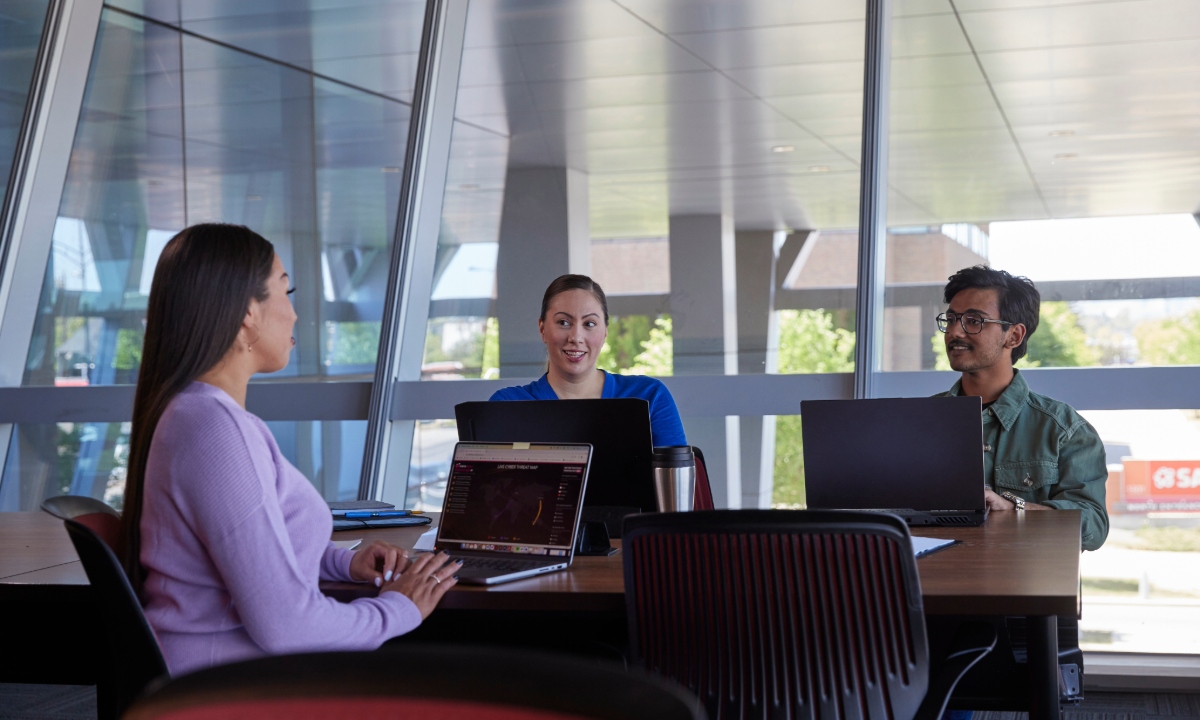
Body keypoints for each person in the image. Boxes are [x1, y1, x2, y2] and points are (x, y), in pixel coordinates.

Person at [118, 223, 458, 675]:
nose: (295, 313)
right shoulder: (216, 431)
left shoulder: (193, 416)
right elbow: (286, 626)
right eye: (286, 290)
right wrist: (397, 610)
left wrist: (343, 562)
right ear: (246, 314)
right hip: (229, 688)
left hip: (218, 677)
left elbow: (248, 551)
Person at [935, 265, 1108, 551]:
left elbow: (1093, 526)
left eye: (974, 321)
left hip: (1027, 589)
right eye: (951, 319)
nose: (954, 331)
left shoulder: (1064, 429)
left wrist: (1015, 509)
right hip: (933, 585)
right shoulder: (918, 422)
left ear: (1013, 336)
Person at [490, 274, 687, 448]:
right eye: (563, 322)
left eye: (589, 324)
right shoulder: (508, 405)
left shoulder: (648, 396)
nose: (576, 337)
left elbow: (677, 485)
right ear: (542, 329)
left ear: (605, 332)